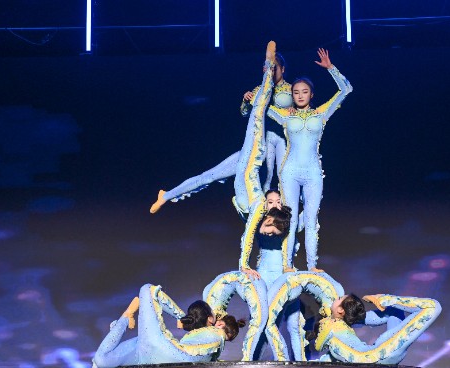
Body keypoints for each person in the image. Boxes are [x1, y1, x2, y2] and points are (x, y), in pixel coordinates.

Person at [149, 53, 291, 214]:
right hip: (252, 149)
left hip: (277, 148)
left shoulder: (291, 91)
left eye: (274, 68)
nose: (270, 71)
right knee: (210, 176)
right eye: (267, 68)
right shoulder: (259, 90)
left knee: (273, 188)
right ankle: (166, 195)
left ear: (282, 69)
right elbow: (244, 113)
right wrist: (246, 101)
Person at [267, 48, 353, 270]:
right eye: (296, 92)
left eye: (304, 92)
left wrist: (330, 68)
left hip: (314, 172)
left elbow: (346, 89)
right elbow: (261, 106)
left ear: (311, 94)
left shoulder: (321, 113)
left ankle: (312, 266)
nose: (300, 95)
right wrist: (253, 93)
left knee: (312, 221)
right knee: (291, 219)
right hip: (290, 172)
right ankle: (287, 265)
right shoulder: (285, 115)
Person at [91, 284, 244, 368]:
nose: (221, 332)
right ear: (212, 320)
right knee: (101, 361)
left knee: (147, 290)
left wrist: (180, 317)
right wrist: (183, 318)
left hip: (156, 352)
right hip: (153, 351)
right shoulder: (212, 335)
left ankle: (124, 319)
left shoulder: (216, 336)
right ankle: (127, 317)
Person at [315, 294, 442, 365]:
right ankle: (384, 299)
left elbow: (329, 351)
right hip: (379, 354)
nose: (335, 298)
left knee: (397, 311)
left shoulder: (334, 326)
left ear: (340, 310)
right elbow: (330, 352)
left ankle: (383, 300)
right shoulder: (332, 327)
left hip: (378, 354)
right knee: (432, 306)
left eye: (338, 299)